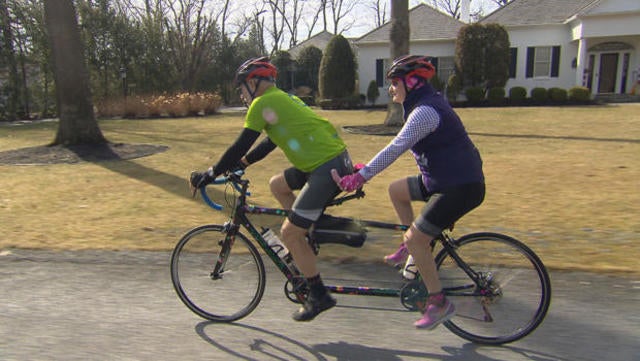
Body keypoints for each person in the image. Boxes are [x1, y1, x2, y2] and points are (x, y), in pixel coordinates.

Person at [190, 57, 354, 321]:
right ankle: (309, 235)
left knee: (289, 233)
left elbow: (240, 144)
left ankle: (319, 294)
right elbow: (271, 141)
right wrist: (244, 164)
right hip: (330, 160)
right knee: (277, 184)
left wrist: (209, 174)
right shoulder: (281, 98)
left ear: (254, 82)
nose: (242, 94)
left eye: (242, 87)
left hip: (325, 168)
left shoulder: (261, 103)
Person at [331, 55, 485, 329]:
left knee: (417, 238)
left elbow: (396, 147)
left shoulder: (425, 111)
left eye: (394, 83)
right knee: (397, 190)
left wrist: (361, 177)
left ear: (411, 83)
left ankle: (438, 303)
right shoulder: (424, 104)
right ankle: (411, 247)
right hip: (443, 179)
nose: (390, 89)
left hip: (458, 186)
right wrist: (364, 169)